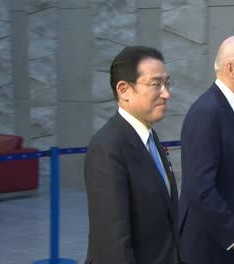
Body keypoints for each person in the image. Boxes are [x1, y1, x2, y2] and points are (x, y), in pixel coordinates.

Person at [84, 46, 180, 264]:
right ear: (124, 90)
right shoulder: (107, 148)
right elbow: (112, 244)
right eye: (156, 84)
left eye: (167, 83)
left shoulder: (151, 138)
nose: (166, 93)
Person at [179, 35, 234, 264]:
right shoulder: (206, 113)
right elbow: (200, 189)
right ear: (230, 68)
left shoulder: (233, 109)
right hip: (210, 251)